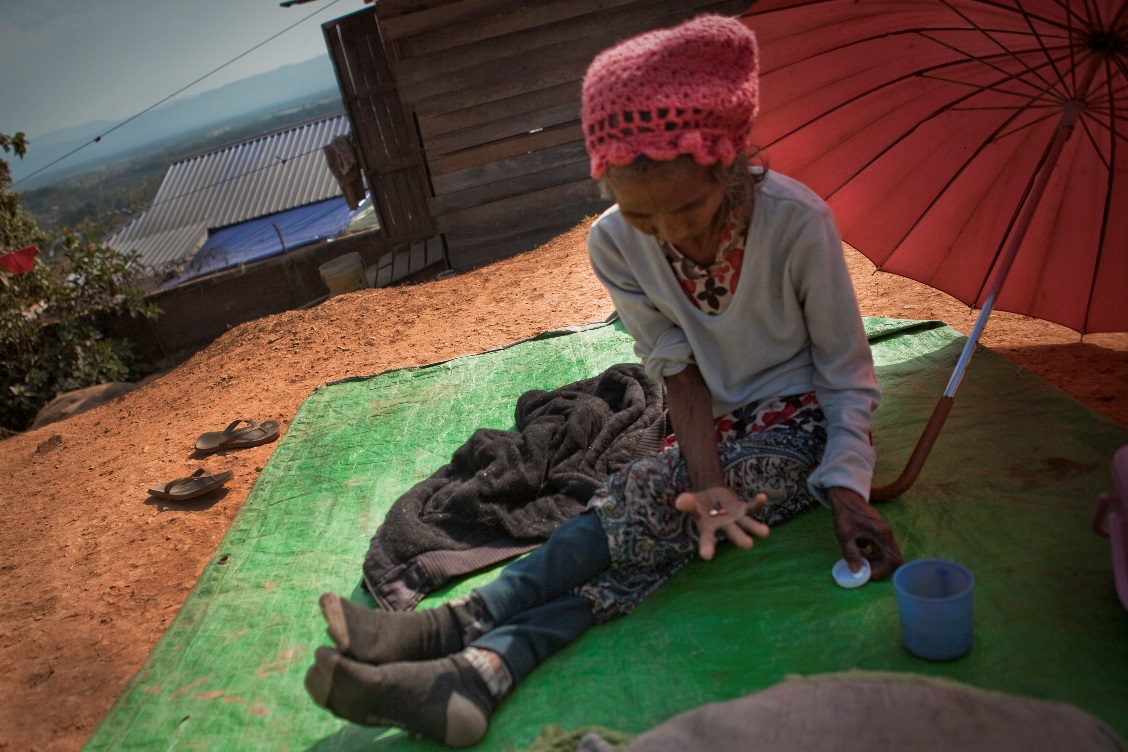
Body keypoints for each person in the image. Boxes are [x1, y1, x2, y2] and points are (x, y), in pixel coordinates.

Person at [304, 14, 903, 747]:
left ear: (727, 162)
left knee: (645, 500)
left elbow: (847, 378)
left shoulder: (797, 224)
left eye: (688, 205)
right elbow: (679, 373)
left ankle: (457, 633)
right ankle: (478, 672)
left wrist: (846, 487)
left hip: (801, 421)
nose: (670, 232)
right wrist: (707, 480)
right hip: (714, 420)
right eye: (640, 211)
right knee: (659, 514)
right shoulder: (615, 244)